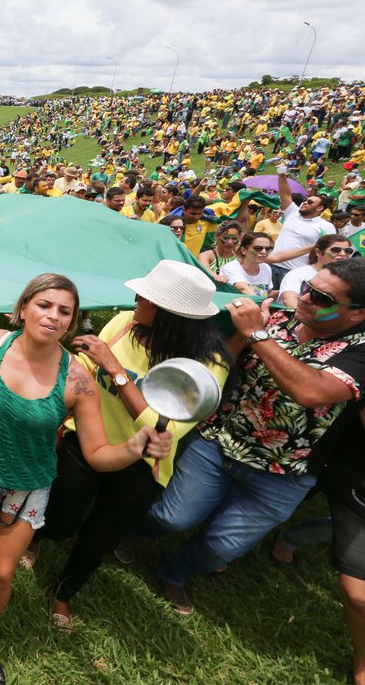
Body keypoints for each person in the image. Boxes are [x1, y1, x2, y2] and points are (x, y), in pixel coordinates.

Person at [0, 274, 173, 684]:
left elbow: (96, 454)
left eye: (65, 311)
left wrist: (134, 448)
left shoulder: (77, 378)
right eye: (44, 305)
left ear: (73, 322)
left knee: (1, 572)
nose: (54, 316)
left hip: (27, 483)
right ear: (23, 308)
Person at [140, 258, 365, 615]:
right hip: (219, 442)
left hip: (286, 471)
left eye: (322, 298)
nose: (305, 298)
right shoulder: (277, 317)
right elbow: (228, 359)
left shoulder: (360, 350)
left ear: (357, 314)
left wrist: (257, 334)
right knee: (172, 518)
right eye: (308, 287)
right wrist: (244, 334)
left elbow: (312, 391)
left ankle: (175, 570)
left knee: (222, 548)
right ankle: (123, 533)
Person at [28, 260, 231, 629]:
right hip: (86, 440)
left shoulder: (206, 368)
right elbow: (86, 377)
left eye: (147, 297)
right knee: (59, 516)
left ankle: (63, 595)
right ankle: (36, 540)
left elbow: (159, 427)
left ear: (169, 315)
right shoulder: (124, 323)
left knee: (98, 538)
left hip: (141, 466)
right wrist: (60, 418)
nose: (137, 299)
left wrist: (116, 371)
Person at [273, 167, 335, 288]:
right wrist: (281, 176)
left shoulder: (326, 226)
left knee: (287, 305)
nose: (305, 202)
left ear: (320, 208)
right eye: (305, 200)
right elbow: (285, 193)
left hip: (295, 272)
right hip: (272, 265)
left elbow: (325, 249)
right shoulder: (293, 213)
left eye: (310, 202)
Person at [279, 235, 353, 308]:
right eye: (336, 250)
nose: (343, 254)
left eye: (348, 251)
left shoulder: (350, 277)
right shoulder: (298, 274)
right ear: (318, 252)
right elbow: (289, 300)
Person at [220, 232, 274, 297]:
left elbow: (268, 293)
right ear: (243, 250)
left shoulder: (266, 268)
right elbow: (244, 289)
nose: (264, 252)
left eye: (267, 249)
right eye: (257, 248)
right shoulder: (231, 268)